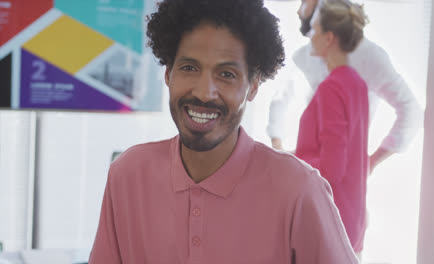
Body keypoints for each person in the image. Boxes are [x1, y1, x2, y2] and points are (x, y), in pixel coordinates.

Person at [88, 0, 359, 263]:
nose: (204, 92)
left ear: (253, 85)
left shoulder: (299, 189)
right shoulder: (127, 175)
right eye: (189, 68)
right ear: (168, 74)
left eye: (226, 74)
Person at [269, 0, 423, 174]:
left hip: (329, 181)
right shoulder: (341, 77)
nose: (298, 11)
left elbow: (332, 165)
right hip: (331, 177)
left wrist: (371, 162)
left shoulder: (337, 85)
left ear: (329, 37)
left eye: (304, 2)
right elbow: (280, 100)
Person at [295, 0, 369, 254]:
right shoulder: (356, 83)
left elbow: (331, 170)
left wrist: (289, 163)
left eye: (315, 30)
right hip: (352, 216)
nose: (311, 36)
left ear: (329, 39)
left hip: (331, 220)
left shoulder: (332, 88)